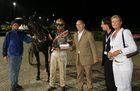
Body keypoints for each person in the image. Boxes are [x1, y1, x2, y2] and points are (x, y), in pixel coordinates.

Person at [108, 15, 137, 91]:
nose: (114, 23)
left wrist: (120, 51)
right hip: (115, 63)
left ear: (120, 22)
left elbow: (134, 47)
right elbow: (113, 48)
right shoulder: (112, 34)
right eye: (112, 21)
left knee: (125, 87)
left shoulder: (125, 32)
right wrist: (110, 53)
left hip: (125, 63)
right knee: (118, 85)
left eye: (116, 21)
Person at [2, 19, 32, 91]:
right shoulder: (9, 33)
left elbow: (27, 40)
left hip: (19, 55)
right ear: (11, 26)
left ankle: (15, 84)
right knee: (13, 72)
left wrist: (34, 38)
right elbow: (5, 45)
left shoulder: (21, 33)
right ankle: (13, 87)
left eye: (17, 25)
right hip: (12, 55)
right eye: (14, 25)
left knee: (17, 71)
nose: (16, 26)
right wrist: (4, 55)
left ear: (18, 26)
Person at [47, 18, 72, 91]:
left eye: (60, 24)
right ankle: (52, 84)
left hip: (62, 52)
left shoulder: (66, 33)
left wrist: (61, 47)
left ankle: (62, 85)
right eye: (57, 24)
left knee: (62, 70)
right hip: (54, 53)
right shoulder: (53, 33)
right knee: (52, 69)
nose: (59, 26)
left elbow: (70, 44)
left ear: (63, 25)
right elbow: (50, 42)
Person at [73, 20, 98, 91]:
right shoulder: (75, 34)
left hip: (87, 58)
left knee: (88, 75)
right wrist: (68, 47)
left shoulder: (89, 34)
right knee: (79, 74)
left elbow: (93, 46)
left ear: (83, 25)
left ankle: (90, 87)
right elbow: (75, 45)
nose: (78, 26)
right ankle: (79, 86)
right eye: (77, 25)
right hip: (78, 58)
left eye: (80, 24)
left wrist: (95, 58)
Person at [101, 17, 117, 91]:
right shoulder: (104, 35)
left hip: (113, 59)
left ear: (107, 24)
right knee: (107, 77)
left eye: (102, 24)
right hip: (106, 60)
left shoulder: (115, 34)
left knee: (113, 78)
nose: (101, 26)